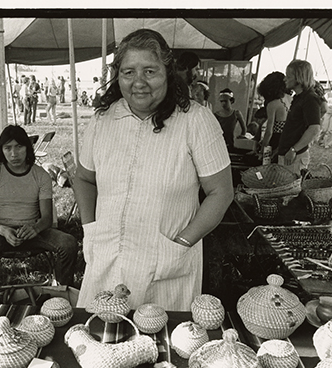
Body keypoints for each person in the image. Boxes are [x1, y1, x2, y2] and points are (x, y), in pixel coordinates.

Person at [72, 28, 233, 311]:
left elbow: (221, 192)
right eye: (128, 72)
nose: (139, 83)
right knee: (100, 341)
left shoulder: (195, 121)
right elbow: (85, 178)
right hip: (106, 257)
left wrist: (182, 243)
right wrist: (90, 229)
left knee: (162, 345)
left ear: (168, 72)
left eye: (150, 71)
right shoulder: (103, 120)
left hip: (166, 263)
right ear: (117, 74)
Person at [0, 125, 78, 302]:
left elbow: (47, 217)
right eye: (8, 148)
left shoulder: (40, 175)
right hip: (1, 231)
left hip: (33, 229)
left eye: (19, 147)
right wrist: (3, 230)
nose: (14, 154)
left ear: (28, 148)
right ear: (1, 151)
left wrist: (35, 228)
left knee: (68, 243)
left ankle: (61, 297)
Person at [277, 59, 323, 174]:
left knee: (291, 190)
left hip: (295, 156)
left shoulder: (310, 98)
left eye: (288, 76)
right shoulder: (299, 97)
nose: (285, 79)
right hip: (288, 154)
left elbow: (314, 128)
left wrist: (294, 149)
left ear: (299, 78)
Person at [256, 71, 292, 162]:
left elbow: (269, 131)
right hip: (289, 139)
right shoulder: (291, 99)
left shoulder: (273, 104)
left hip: (276, 140)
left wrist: (262, 151)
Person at [214, 88, 247, 152]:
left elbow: (244, 128)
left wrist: (241, 137)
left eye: (225, 101)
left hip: (231, 144)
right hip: (218, 144)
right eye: (221, 101)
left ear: (231, 101)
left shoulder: (236, 113)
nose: (223, 103)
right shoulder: (216, 115)